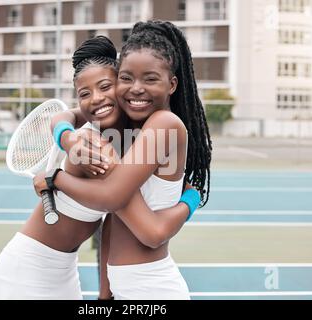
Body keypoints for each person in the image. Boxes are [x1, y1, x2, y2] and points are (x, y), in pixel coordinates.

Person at [0, 35, 197, 300]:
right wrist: (58, 168)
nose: (96, 99)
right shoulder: (92, 142)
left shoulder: (130, 136)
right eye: (84, 94)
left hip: (63, 271)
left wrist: (103, 296)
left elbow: (113, 220)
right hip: (28, 270)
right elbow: (129, 213)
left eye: (106, 86)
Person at [33, 21, 212, 300]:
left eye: (150, 79)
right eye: (126, 79)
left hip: (152, 289)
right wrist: (105, 294)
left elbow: (113, 198)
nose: (136, 89)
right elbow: (112, 223)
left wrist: (53, 179)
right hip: (125, 288)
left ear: (172, 83)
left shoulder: (164, 124)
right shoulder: (127, 129)